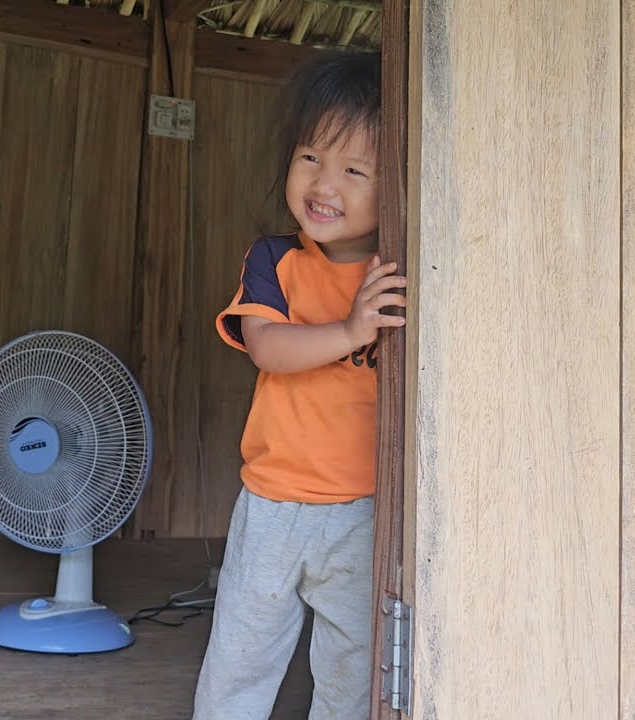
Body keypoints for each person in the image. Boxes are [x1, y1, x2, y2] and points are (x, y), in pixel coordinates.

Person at [192, 52, 406, 720]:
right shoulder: (274, 259)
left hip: (366, 513)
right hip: (272, 505)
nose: (324, 183)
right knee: (240, 662)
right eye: (311, 156)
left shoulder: (397, 274)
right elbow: (267, 346)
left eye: (353, 169)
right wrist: (349, 330)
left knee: (352, 674)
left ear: (394, 185)